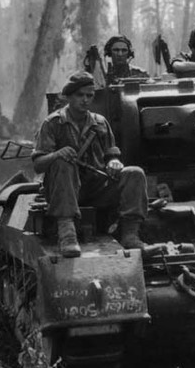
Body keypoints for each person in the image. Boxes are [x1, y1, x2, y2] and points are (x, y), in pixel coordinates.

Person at [32, 71, 148, 257]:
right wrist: (56, 155)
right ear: (69, 96)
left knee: (135, 173)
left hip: (96, 188)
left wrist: (115, 162)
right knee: (63, 163)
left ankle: (130, 234)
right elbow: (38, 164)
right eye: (80, 95)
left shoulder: (100, 123)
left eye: (89, 95)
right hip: (64, 191)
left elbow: (112, 154)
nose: (85, 100)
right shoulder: (53, 123)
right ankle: (67, 235)